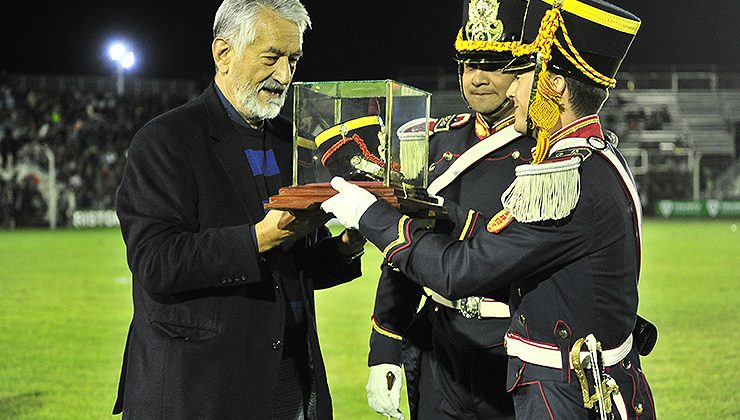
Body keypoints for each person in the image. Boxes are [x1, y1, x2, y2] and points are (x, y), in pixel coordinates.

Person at [322, 0, 656, 418]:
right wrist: (386, 342)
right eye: (469, 64)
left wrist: (369, 215)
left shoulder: (565, 177)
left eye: (522, 74)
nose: (512, 86)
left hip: (552, 388)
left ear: (554, 86)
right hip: (464, 356)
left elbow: (459, 269)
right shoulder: (592, 157)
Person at [113, 1, 366, 418]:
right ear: (223, 53)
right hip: (198, 387)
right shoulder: (165, 140)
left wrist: (345, 246)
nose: (284, 76)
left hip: (289, 378)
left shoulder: (294, 144)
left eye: (294, 59)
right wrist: (258, 239)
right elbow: (156, 262)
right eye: (272, 58)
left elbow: (296, 269)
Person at [364, 1, 533, 419]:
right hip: (442, 348)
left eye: (494, 64)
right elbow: (406, 249)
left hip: (514, 349)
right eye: (468, 63)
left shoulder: (547, 149)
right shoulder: (435, 142)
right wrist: (384, 345)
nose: (477, 78)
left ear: (522, 71)